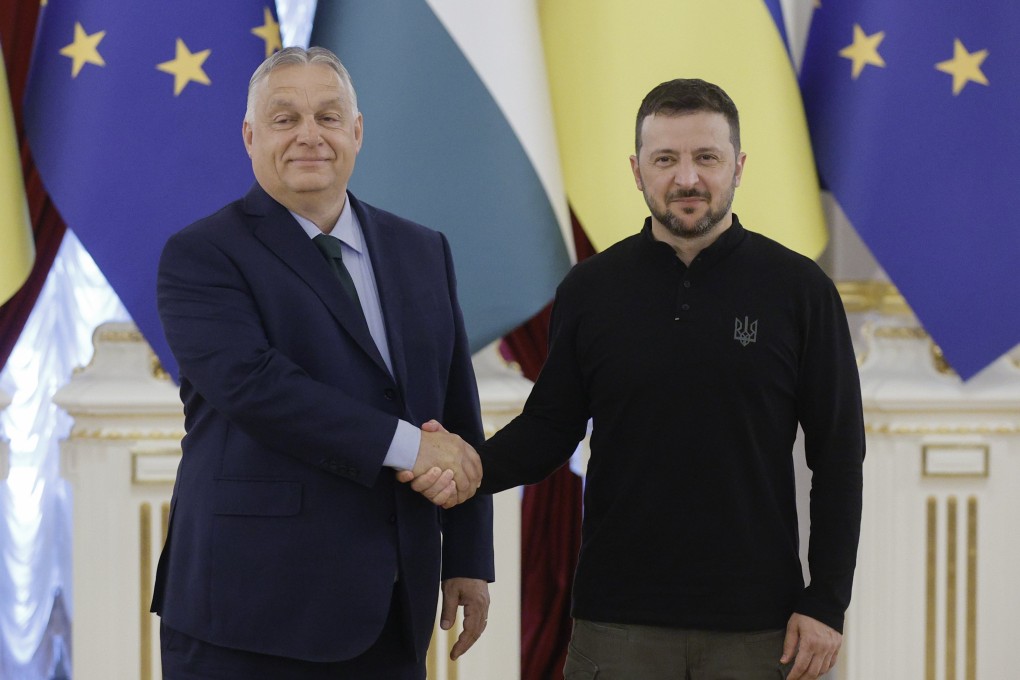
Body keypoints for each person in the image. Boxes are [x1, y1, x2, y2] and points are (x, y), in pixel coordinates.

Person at [410, 78, 864, 680]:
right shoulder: (591, 289)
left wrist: (827, 600)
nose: (687, 179)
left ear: (739, 166)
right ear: (636, 169)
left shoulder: (801, 291)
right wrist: (462, 468)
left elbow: (838, 455)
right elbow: (549, 429)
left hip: (760, 628)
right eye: (665, 159)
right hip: (616, 626)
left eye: (707, 157)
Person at [151, 46, 493, 680]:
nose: (310, 135)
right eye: (285, 119)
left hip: (395, 608)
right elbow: (258, 388)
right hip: (249, 613)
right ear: (250, 137)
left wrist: (469, 553)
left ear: (357, 132)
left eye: (329, 117)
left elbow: (453, 405)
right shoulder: (201, 255)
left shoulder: (423, 249)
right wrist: (411, 449)